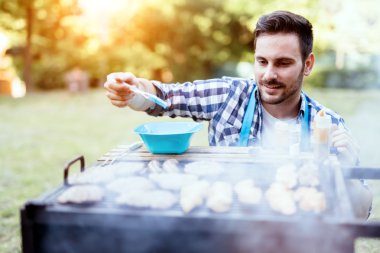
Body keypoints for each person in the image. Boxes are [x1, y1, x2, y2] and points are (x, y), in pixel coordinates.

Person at [104, 10, 372, 218]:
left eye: (283, 63)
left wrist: (348, 169)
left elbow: (359, 214)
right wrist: (132, 91)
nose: (269, 75)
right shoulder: (228, 95)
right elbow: (165, 97)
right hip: (227, 228)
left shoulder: (330, 125)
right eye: (262, 61)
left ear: (308, 64)